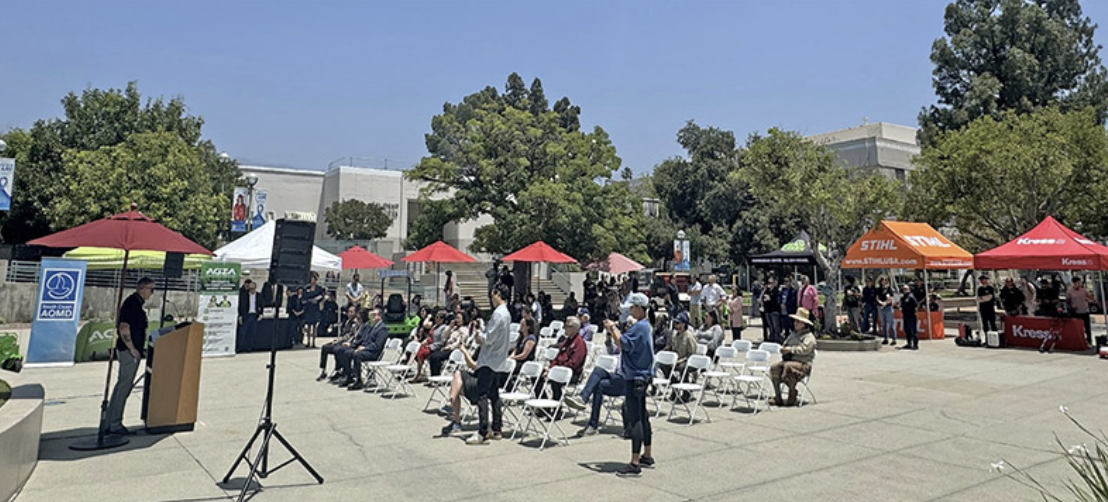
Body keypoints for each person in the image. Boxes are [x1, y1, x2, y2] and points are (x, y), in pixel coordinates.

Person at [605, 293, 655, 477]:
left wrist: (612, 329)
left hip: (635, 377)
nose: (630, 312)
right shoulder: (643, 326)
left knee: (635, 418)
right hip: (642, 376)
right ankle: (647, 454)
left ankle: (635, 462)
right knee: (643, 415)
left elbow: (622, 344)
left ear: (640, 308)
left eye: (633, 308)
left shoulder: (640, 327)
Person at [106, 277, 156, 436]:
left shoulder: (135, 304)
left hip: (130, 350)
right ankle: (114, 424)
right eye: (151, 289)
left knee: (122, 387)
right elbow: (124, 327)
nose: (152, 293)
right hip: (128, 351)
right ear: (141, 289)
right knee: (123, 387)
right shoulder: (132, 305)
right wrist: (132, 349)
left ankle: (110, 420)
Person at [468, 284, 511, 445]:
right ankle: (497, 428)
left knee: (482, 395)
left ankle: (483, 431)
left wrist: (479, 335)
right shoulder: (506, 314)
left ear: (497, 294)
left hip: (489, 360)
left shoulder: (498, 314)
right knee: (494, 395)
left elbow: (489, 339)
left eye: (492, 294)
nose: (491, 298)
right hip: (498, 360)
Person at [770, 306, 817, 407]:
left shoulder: (809, 337)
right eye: (795, 321)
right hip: (789, 360)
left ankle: (792, 391)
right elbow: (785, 344)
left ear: (804, 324)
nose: (795, 323)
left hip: (803, 364)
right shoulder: (793, 334)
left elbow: (804, 350)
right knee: (775, 367)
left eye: (798, 322)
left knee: (788, 367)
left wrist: (790, 349)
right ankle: (778, 396)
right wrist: (784, 349)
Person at [535, 316, 588, 404]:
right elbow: (557, 358)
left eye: (566, 326)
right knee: (537, 376)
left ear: (574, 328)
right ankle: (543, 404)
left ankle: (556, 408)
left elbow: (573, 363)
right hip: (558, 369)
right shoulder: (566, 342)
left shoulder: (579, 343)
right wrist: (550, 368)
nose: (564, 328)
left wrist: (555, 370)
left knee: (555, 381)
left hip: (572, 373)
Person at [339, 308, 389, 391]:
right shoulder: (373, 326)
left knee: (356, 355)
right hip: (366, 350)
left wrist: (365, 348)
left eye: (374, 315)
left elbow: (377, 345)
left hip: (373, 353)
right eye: (371, 315)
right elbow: (366, 340)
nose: (372, 317)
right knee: (346, 352)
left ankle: (359, 381)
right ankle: (349, 376)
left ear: (379, 316)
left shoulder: (382, 329)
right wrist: (359, 346)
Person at [319, 305, 359, 380]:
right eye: (348, 312)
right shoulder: (347, 322)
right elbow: (343, 334)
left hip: (348, 343)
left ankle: (339, 370)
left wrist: (341, 341)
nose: (349, 314)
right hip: (341, 341)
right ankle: (323, 371)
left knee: (337, 350)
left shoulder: (356, 323)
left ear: (356, 313)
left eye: (351, 312)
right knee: (325, 347)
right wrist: (337, 340)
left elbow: (352, 336)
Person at [1066, 277, 1096, 346]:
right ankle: (1078, 341)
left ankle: (1089, 341)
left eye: (1080, 282)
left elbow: (1091, 297)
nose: (1080, 284)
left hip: (1085, 310)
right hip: (1076, 312)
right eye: (1078, 282)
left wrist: (1090, 298)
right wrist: (1071, 307)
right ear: (1074, 283)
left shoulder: (1083, 290)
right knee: (1077, 328)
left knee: (1087, 327)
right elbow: (1068, 301)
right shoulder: (1070, 291)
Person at [301, 273, 325, 348]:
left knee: (315, 326)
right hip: (308, 308)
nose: (312, 281)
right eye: (311, 279)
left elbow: (322, 296)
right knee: (308, 326)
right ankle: (308, 341)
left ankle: (314, 342)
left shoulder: (319, 288)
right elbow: (304, 297)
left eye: (314, 279)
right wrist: (307, 301)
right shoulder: (307, 288)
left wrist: (317, 300)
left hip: (315, 308)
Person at [237, 279, 260, 352]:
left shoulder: (258, 295)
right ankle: (239, 347)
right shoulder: (245, 295)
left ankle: (249, 348)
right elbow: (241, 306)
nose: (252, 290)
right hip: (246, 315)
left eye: (253, 288)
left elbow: (261, 305)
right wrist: (240, 315)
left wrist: (260, 313)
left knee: (252, 333)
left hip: (254, 315)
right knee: (242, 332)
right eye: (250, 289)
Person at [876, 276, 896, 346]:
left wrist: (885, 303)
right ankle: (885, 338)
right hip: (881, 308)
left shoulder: (889, 289)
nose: (883, 282)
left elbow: (891, 298)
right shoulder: (878, 289)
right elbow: (877, 297)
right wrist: (881, 303)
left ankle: (894, 339)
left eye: (885, 280)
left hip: (888, 308)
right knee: (883, 324)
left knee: (891, 323)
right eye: (882, 280)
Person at [899, 284, 919, 350]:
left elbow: (916, 305)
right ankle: (909, 343)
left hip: (911, 315)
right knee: (907, 330)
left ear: (909, 289)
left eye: (906, 289)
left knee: (913, 331)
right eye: (903, 289)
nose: (904, 290)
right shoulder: (903, 297)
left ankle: (915, 345)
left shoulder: (911, 297)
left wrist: (915, 313)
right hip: (905, 315)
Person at [761, 277, 781, 342]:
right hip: (767, 311)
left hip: (774, 311)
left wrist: (770, 299)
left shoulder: (777, 291)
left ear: (774, 283)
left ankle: (776, 340)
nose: (769, 284)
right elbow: (762, 299)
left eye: (771, 283)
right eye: (768, 283)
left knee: (776, 328)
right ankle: (771, 340)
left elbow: (778, 302)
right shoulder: (767, 291)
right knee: (771, 327)